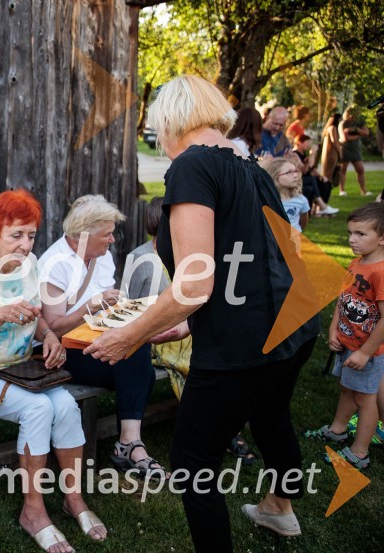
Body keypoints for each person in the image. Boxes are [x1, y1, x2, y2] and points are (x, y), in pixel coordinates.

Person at [83, 75, 319, 552]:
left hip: (244, 344)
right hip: (295, 328)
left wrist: (128, 335)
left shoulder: (192, 166)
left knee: (192, 462)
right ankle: (280, 508)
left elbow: (194, 283)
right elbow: (256, 262)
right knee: (273, 419)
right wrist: (188, 322)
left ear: (169, 121)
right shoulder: (249, 164)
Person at [0, 189, 106, 553]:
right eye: (15, 235)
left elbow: (35, 320)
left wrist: (49, 337)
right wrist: (1, 313)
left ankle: (73, 498)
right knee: (40, 408)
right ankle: (33, 510)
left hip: (19, 369)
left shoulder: (30, 266)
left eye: (31, 235)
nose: (25, 244)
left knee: (64, 406)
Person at [37, 194, 167, 479]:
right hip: (62, 350)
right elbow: (54, 328)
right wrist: (92, 305)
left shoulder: (101, 256)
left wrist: (121, 308)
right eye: (106, 234)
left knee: (135, 347)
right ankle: (130, 446)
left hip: (93, 340)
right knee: (134, 360)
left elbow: (106, 306)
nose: (112, 240)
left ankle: (128, 443)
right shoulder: (56, 264)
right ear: (83, 236)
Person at [121, 198, 257, 465]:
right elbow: (127, 308)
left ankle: (228, 425)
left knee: (223, 352)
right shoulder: (141, 258)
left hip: (189, 329)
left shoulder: (193, 259)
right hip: (154, 335)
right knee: (201, 362)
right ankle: (219, 429)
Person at [305, 203, 384, 470]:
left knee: (365, 399)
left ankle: (359, 452)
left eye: (361, 234)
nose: (352, 239)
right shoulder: (357, 263)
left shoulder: (381, 272)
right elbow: (344, 298)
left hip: (369, 352)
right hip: (348, 342)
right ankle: (337, 430)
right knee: (347, 389)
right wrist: (333, 328)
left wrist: (364, 352)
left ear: (382, 238)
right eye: (351, 233)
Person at [291, 133, 338, 216]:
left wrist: (321, 176)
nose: (309, 144)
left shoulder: (304, 154)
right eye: (307, 142)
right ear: (299, 142)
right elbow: (304, 171)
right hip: (298, 180)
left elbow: (311, 168)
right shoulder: (294, 154)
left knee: (326, 183)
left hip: (307, 179)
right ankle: (322, 207)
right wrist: (312, 155)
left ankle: (320, 209)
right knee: (311, 182)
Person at [260, 158, 309, 233]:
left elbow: (303, 222)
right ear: (275, 176)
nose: (295, 175)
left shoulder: (301, 200)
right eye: (289, 172)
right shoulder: (267, 200)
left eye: (295, 171)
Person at [338, 105, 371, 196]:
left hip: (356, 149)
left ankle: (363, 190)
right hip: (345, 149)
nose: (353, 115)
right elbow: (345, 138)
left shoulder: (359, 123)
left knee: (360, 169)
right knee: (343, 169)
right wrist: (359, 134)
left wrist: (355, 130)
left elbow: (367, 133)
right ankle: (342, 190)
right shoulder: (343, 123)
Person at [320, 113, 343, 186]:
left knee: (327, 172)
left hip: (328, 153)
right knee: (329, 172)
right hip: (331, 153)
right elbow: (334, 141)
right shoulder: (333, 128)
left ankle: (326, 187)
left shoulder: (329, 128)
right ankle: (326, 188)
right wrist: (340, 152)